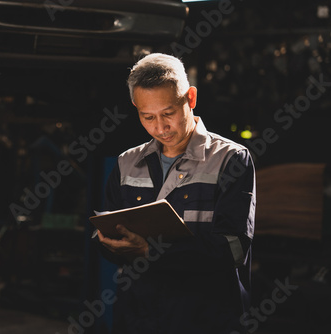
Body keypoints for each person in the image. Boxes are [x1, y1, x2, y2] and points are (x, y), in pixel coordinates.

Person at [95, 53, 256, 333]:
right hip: (141, 315)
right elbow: (109, 240)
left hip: (207, 317)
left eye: (168, 113)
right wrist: (112, 242)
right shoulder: (127, 163)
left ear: (190, 99)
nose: (160, 127)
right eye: (148, 117)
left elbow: (234, 248)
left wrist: (150, 250)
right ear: (136, 108)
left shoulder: (230, 159)